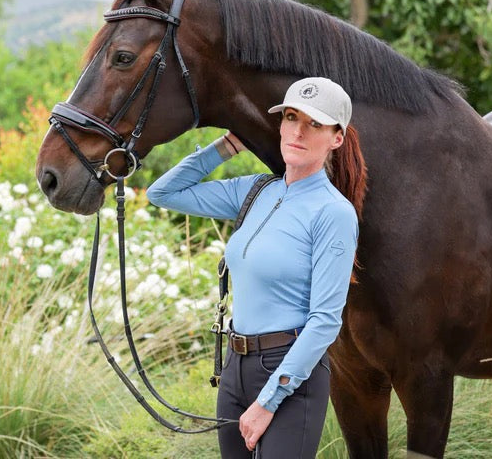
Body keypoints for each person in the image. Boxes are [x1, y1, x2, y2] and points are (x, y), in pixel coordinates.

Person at [147, 77, 365, 458]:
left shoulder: (333, 213)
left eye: (314, 123)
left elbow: (326, 321)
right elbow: (162, 192)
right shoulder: (256, 192)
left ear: (337, 138)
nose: (298, 131)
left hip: (290, 372)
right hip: (236, 367)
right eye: (291, 117)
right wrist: (228, 145)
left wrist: (269, 401)